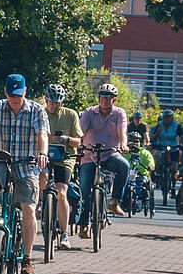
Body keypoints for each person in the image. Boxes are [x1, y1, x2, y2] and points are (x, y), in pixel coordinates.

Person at [0, 74, 49, 274]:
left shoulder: (37, 110)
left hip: (26, 163)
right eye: (11, 95)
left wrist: (43, 153)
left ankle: (27, 259)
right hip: (1, 160)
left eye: (18, 95)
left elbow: (42, 134)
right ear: (5, 92)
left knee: (28, 208)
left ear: (25, 92)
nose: (14, 99)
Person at [76, 83, 130, 232]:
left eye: (109, 97)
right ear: (99, 98)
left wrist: (123, 145)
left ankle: (114, 202)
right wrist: (78, 142)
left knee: (124, 166)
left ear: (114, 99)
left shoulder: (119, 113)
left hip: (110, 154)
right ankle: (83, 225)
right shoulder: (89, 112)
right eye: (102, 96)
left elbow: (122, 130)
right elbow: (82, 130)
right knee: (85, 189)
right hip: (89, 155)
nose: (105, 100)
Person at [44, 83, 82, 250]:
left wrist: (66, 139)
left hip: (65, 158)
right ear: (46, 100)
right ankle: (38, 205)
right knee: (42, 178)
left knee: (61, 192)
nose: (54, 105)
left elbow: (78, 141)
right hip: (44, 156)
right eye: (52, 102)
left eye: (58, 102)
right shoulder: (40, 113)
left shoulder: (71, 115)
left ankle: (64, 232)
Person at [150, 109, 183, 197]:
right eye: (165, 117)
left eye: (169, 117)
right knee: (156, 155)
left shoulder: (177, 125)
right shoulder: (159, 124)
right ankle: (157, 173)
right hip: (161, 147)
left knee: (174, 167)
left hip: (174, 148)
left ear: (172, 118)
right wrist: (158, 132)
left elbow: (182, 136)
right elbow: (152, 137)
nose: (167, 119)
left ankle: (173, 186)